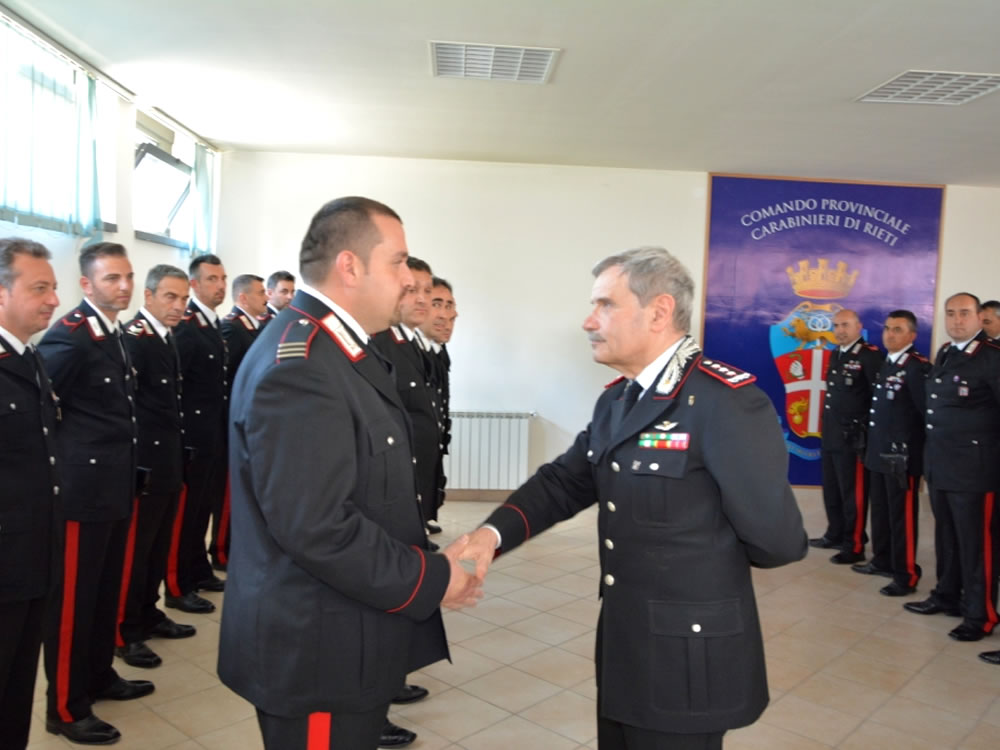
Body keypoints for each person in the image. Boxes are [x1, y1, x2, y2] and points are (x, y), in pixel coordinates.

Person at [459, 246, 807, 750]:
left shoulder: (724, 402)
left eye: (605, 305)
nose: (588, 321)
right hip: (627, 646)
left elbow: (777, 540)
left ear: (660, 312)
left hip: (687, 658)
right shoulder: (619, 399)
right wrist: (489, 536)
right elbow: (565, 482)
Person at [217, 196, 482, 750]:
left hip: (347, 636)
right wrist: (432, 579)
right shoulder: (304, 365)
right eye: (399, 262)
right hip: (318, 652)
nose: (411, 280)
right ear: (349, 266)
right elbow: (318, 526)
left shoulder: (341, 350)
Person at [39, 242, 153, 745]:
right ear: (87, 284)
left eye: (127, 276)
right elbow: (43, 409)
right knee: (72, 603)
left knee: (106, 593)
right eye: (111, 279)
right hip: (81, 494)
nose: (123, 286)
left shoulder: (115, 333)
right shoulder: (70, 338)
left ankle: (99, 675)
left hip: (115, 486)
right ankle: (65, 706)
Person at [904, 292, 1000, 643]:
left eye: (964, 313)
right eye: (950, 313)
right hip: (941, 465)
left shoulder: (991, 357)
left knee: (977, 546)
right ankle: (947, 595)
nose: (957, 320)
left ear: (980, 317)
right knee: (947, 538)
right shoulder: (946, 352)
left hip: (976, 470)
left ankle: (981, 614)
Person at [116, 265, 197, 670]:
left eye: (183, 299)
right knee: (135, 553)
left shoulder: (167, 339)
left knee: (155, 548)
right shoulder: (136, 340)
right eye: (170, 297)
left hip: (167, 463)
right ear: (148, 297)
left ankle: (148, 612)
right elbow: (127, 409)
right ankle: (125, 631)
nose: (179, 306)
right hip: (144, 467)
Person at [0, 238, 60, 750]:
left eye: (54, 288)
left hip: (30, 562)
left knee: (18, 690)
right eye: (39, 288)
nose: (53, 300)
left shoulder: (28, 358)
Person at [167, 254, 228, 612]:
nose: (219, 286)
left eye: (222, 279)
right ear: (194, 285)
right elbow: (177, 387)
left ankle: (198, 569)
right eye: (211, 279)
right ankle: (177, 584)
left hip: (211, 435)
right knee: (186, 514)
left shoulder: (212, 325)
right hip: (191, 438)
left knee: (203, 508)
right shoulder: (188, 327)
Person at [858, 311, 930, 596]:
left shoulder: (916, 367)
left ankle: (906, 574)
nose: (890, 334)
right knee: (882, 511)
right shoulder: (888, 363)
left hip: (901, 457)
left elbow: (925, 414)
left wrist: (915, 454)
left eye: (897, 330)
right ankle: (883, 559)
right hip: (879, 451)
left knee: (902, 516)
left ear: (912, 336)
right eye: (887, 329)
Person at [372, 257, 441, 539]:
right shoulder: (380, 343)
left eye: (427, 291)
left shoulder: (410, 342)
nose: (423, 299)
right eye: (412, 290)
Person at [811, 309, 884, 563]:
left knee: (853, 493)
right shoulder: (836, 353)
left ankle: (854, 544)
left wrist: (867, 431)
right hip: (831, 433)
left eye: (845, 325)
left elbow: (879, 397)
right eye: (836, 325)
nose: (840, 330)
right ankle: (835, 533)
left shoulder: (869, 355)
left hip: (854, 437)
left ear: (858, 326)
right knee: (832, 488)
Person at [419, 277, 457, 531]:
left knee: (431, 480)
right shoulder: (411, 351)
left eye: (450, 305)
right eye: (437, 304)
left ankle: (422, 520)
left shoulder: (439, 350)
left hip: (433, 433)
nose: (446, 315)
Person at [222, 274, 268, 377]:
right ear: (243, 299)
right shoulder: (232, 327)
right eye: (261, 293)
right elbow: (229, 371)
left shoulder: (258, 324)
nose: (267, 298)